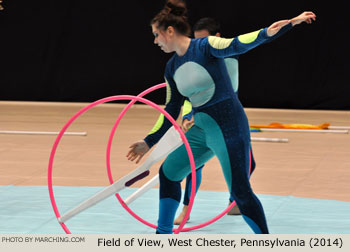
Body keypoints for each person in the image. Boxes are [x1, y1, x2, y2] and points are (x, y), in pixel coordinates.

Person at [127, 0, 316, 234]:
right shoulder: (171, 67)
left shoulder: (207, 46)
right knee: (169, 174)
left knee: (241, 193)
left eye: (156, 34)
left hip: (229, 126)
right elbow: (172, 108)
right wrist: (149, 141)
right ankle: (162, 237)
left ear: (170, 31)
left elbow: (241, 43)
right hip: (201, 130)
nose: (155, 41)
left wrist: (285, 25)